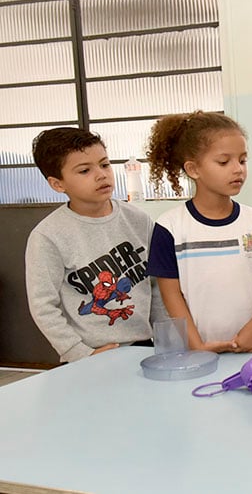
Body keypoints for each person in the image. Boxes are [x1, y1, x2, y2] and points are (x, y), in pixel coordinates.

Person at [145, 111, 252, 353]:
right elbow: (171, 296)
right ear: (193, 169)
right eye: (224, 162)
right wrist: (197, 346)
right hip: (198, 351)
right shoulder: (170, 227)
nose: (238, 170)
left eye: (242, 160)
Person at [25, 127, 166, 363]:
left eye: (105, 164)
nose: (101, 175)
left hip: (145, 347)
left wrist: (165, 340)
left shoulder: (138, 219)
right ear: (58, 184)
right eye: (84, 170)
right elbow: (43, 306)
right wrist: (80, 354)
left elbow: (157, 286)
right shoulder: (47, 236)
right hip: (90, 354)